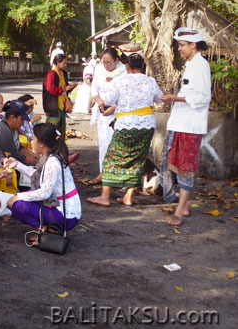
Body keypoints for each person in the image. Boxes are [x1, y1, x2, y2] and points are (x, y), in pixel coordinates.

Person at [86, 54, 163, 207]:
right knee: (138, 159)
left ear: (127, 66)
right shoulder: (151, 81)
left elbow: (107, 100)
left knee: (111, 158)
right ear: (142, 66)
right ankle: (128, 196)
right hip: (146, 125)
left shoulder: (120, 81)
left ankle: (105, 197)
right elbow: (160, 100)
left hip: (126, 126)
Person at [159, 28, 211, 226]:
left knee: (186, 168)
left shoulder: (201, 65)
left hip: (191, 125)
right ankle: (184, 205)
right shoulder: (192, 65)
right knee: (178, 165)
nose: (179, 49)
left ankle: (180, 210)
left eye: (182, 45)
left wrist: (176, 98)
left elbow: (204, 97)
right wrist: (176, 99)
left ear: (193, 45)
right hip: (181, 122)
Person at [6, 123, 81, 243]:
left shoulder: (52, 162)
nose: (31, 142)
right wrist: (17, 165)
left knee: (17, 205)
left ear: (42, 143)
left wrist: (18, 196)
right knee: (16, 200)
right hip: (61, 208)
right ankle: (48, 231)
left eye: (33, 139)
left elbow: (45, 193)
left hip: (66, 216)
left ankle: (48, 232)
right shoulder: (50, 157)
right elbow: (40, 177)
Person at [88, 48, 127, 185]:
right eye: (104, 62)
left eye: (109, 63)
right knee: (103, 144)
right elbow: (94, 88)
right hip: (101, 110)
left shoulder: (124, 73)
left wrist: (114, 108)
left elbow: (126, 94)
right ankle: (102, 173)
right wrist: (97, 99)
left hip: (117, 113)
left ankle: (116, 175)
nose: (106, 66)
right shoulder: (99, 71)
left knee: (116, 145)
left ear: (117, 60)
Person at [0, 101, 39, 166]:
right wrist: (31, 160)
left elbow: (18, 147)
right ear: (13, 118)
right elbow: (11, 154)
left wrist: (33, 155)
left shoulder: (14, 128)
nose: (22, 123)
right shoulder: (3, 130)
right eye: (21, 120)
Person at [43, 54, 77, 135]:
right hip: (53, 106)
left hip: (62, 105)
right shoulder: (51, 74)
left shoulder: (64, 73)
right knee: (51, 131)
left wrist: (71, 87)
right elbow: (50, 88)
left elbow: (65, 87)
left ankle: (60, 147)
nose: (65, 65)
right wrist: (65, 89)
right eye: (64, 63)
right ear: (58, 62)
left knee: (61, 131)